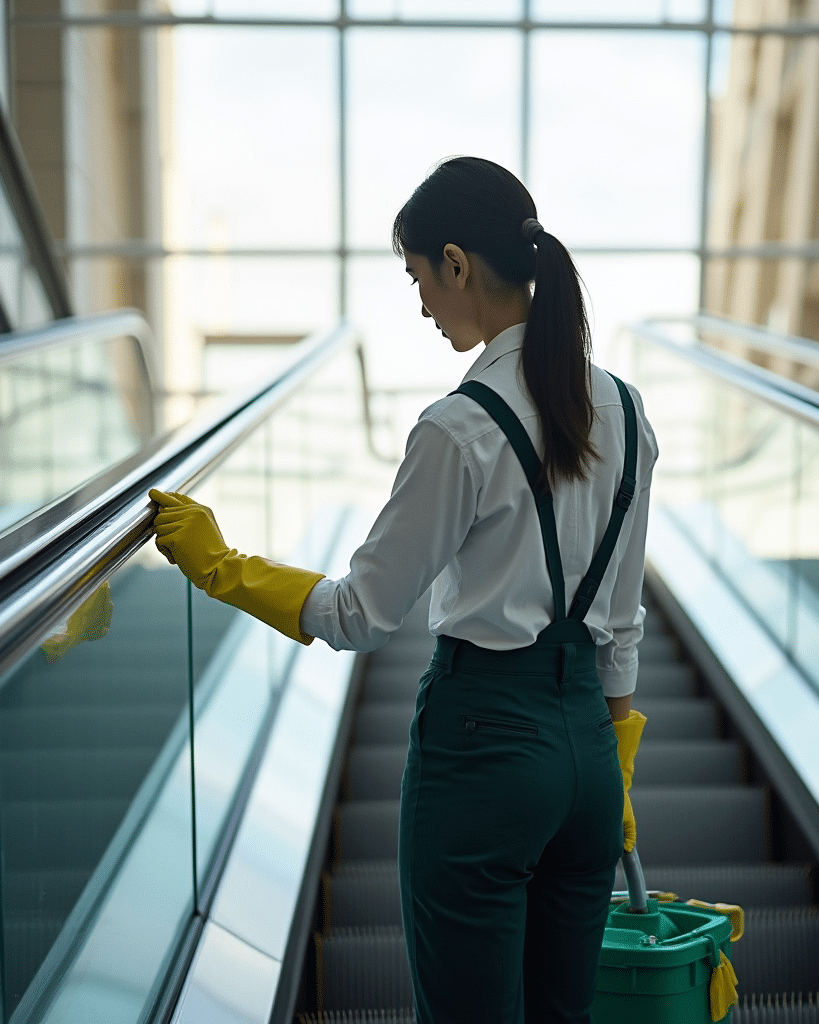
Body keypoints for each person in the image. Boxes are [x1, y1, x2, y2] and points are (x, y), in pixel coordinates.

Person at [150, 155, 658, 1024]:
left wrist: (220, 566)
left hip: (484, 754)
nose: (421, 302)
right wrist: (614, 766)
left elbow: (361, 614)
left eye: (418, 276)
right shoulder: (627, 411)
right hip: (589, 767)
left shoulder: (459, 429)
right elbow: (620, 625)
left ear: (456, 264)